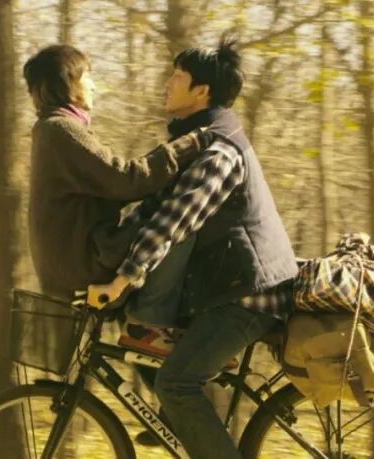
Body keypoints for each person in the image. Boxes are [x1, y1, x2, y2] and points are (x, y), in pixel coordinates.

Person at [88, 36, 299, 459]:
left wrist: (124, 278)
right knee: (142, 340)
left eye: (178, 76)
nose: (167, 83)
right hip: (227, 288)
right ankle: (182, 426)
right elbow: (154, 210)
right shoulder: (199, 139)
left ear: (202, 91)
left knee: (176, 383)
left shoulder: (220, 150)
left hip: (249, 297)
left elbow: (176, 219)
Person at [23, 44, 213, 310]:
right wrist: (189, 145)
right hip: (88, 268)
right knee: (179, 222)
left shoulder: (49, 130)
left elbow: (113, 183)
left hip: (72, 268)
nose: (94, 86)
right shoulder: (61, 130)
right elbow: (127, 180)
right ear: (67, 83)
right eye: (88, 76)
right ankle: (159, 321)